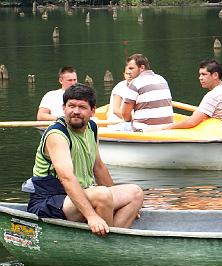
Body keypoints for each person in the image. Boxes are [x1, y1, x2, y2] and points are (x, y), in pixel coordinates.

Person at [26, 83, 144, 236]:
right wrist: (91, 216)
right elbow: (66, 178)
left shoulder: (92, 128)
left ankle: (113, 239)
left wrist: (116, 204)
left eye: (82, 107)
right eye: (71, 106)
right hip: (51, 201)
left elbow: (99, 168)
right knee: (102, 195)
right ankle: (107, 244)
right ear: (64, 108)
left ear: (92, 111)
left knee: (135, 193)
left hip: (81, 195)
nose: (76, 111)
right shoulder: (57, 134)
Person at [159, 58, 222, 130]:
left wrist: (169, 127)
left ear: (215, 75)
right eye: (200, 74)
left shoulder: (213, 95)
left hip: (214, 135)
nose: (200, 78)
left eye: (204, 74)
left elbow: (192, 122)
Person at [119, 53, 173, 130]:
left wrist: (129, 121)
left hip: (144, 129)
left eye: (131, 68)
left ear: (142, 67)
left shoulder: (135, 83)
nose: (129, 72)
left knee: (115, 128)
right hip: (167, 127)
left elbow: (125, 113)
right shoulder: (162, 79)